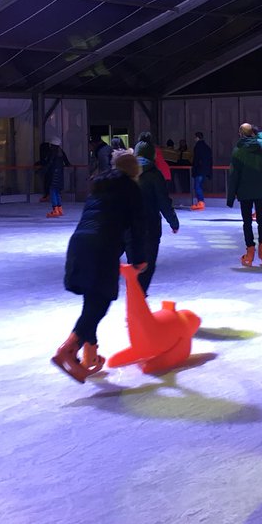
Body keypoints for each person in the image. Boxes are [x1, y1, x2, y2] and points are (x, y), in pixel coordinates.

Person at [52, 150, 146, 382]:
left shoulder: (99, 186)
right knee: (100, 302)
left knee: (92, 301)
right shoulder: (131, 189)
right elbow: (136, 228)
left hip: (79, 243)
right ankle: (68, 349)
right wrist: (138, 259)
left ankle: (90, 357)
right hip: (102, 247)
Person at [133, 139, 179, 294]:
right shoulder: (154, 175)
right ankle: (138, 299)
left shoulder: (126, 172)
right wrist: (173, 222)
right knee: (148, 264)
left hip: (128, 227)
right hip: (150, 226)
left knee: (135, 264)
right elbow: (163, 201)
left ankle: (135, 299)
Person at [227, 123, 262, 266]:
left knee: (247, 222)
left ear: (240, 133)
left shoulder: (238, 151)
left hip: (244, 191)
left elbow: (234, 175)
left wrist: (231, 196)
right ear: (252, 132)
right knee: (261, 221)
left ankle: (250, 252)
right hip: (260, 190)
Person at [190, 131, 212, 211]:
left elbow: (196, 160)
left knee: (197, 186)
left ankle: (201, 202)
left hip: (199, 170)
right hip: (205, 170)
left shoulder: (198, 147)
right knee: (199, 186)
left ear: (197, 138)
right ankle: (201, 202)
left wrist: (194, 169)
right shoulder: (207, 147)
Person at [44, 137, 67, 218]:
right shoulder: (61, 152)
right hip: (60, 175)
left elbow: (49, 163)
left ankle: (55, 210)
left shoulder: (52, 153)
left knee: (52, 192)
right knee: (57, 192)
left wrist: (44, 171)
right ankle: (60, 209)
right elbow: (67, 162)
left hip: (53, 175)